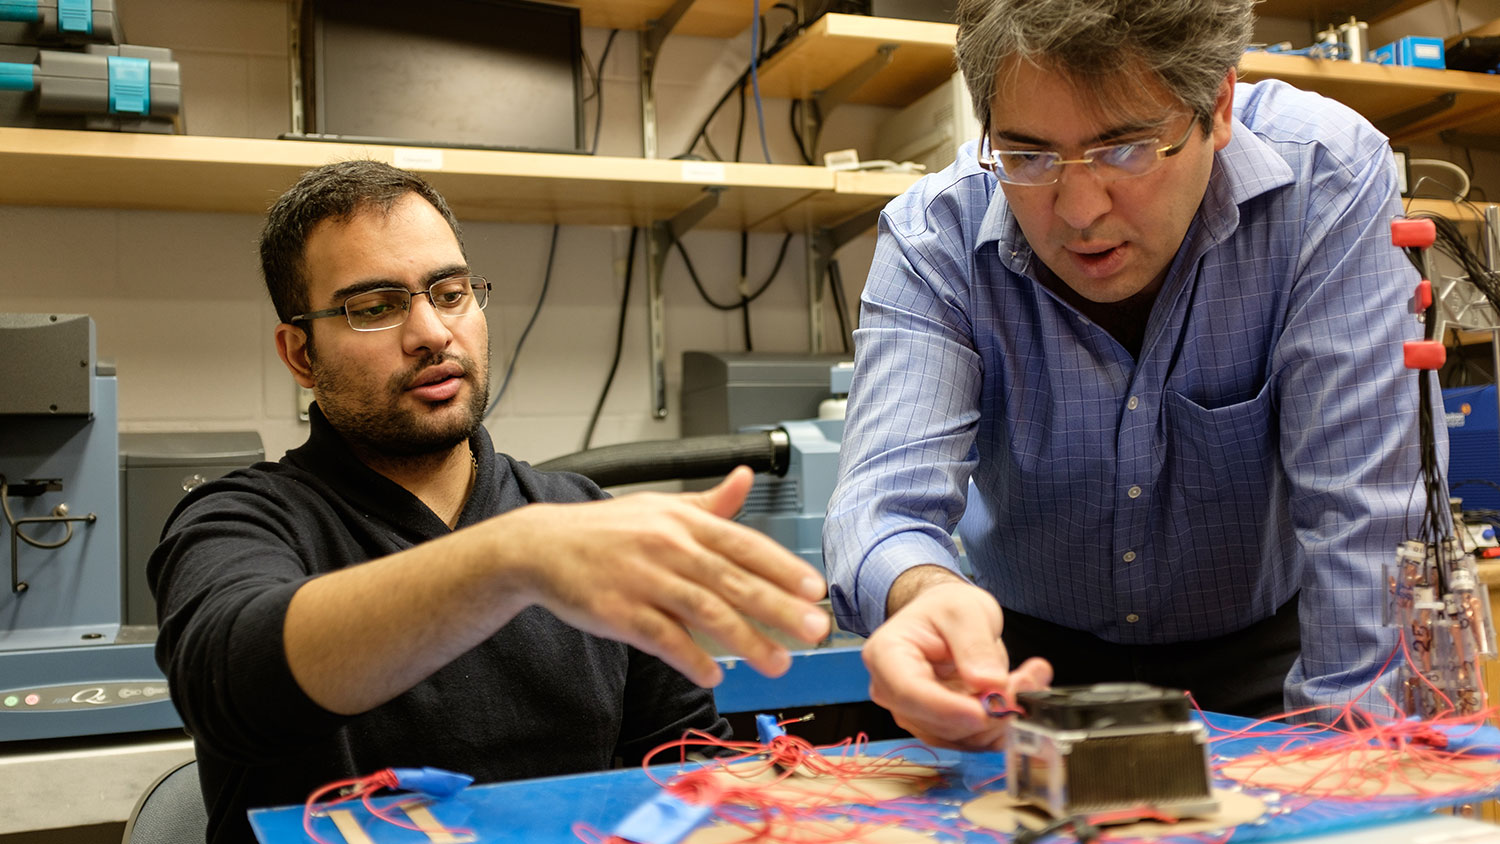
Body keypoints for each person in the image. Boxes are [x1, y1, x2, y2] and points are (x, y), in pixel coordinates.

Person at [150, 160, 832, 843]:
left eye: (449, 292)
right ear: (300, 354)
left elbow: (694, 772)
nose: (431, 333)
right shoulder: (239, 518)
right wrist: (509, 558)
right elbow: (232, 683)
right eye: (375, 308)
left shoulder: (577, 518)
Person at [823, 0, 1435, 750]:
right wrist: (924, 595)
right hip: (1024, 671)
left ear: (1216, 107)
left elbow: (1367, 525)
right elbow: (879, 510)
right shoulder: (935, 238)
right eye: (1029, 156)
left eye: (1125, 148)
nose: (1079, 211)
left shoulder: (1325, 183)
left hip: (1266, 656)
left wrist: (1347, 774)